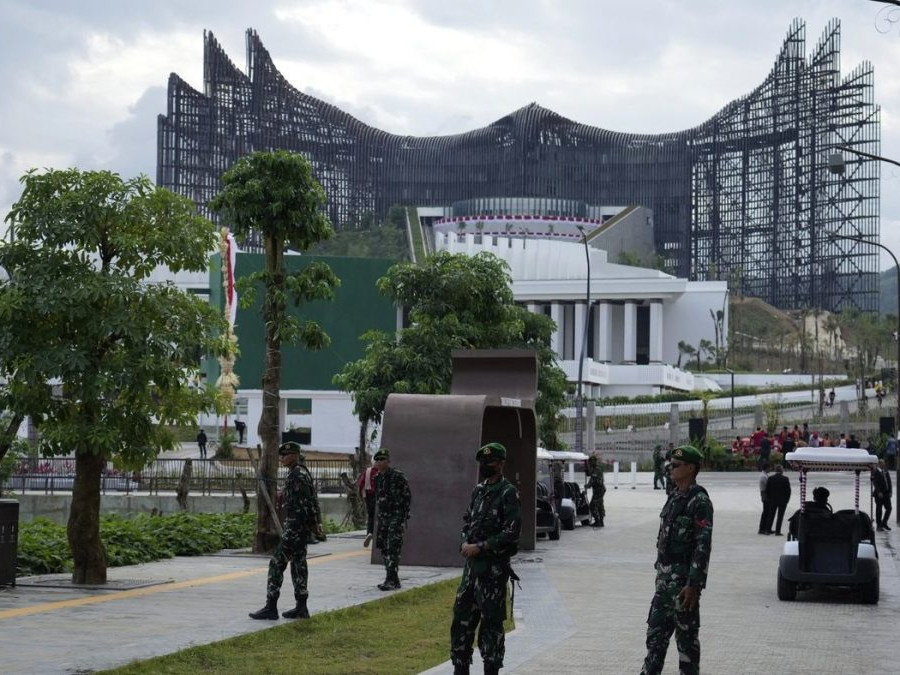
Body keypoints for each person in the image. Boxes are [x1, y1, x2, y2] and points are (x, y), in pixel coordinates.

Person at [640, 445, 713, 675]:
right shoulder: (673, 497)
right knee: (654, 642)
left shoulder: (699, 501)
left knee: (687, 647)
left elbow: (703, 545)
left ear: (691, 468)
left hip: (683, 587)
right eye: (670, 464)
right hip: (663, 585)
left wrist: (694, 585)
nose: (671, 468)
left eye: (677, 465)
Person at [450, 442, 521, 675]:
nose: (485, 467)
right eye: (482, 464)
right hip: (471, 573)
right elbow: (467, 521)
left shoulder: (508, 493)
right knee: (461, 623)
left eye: (489, 463)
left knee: (491, 628)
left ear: (500, 464)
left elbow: (511, 533)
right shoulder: (478, 490)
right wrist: (463, 542)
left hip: (492, 573)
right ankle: (460, 668)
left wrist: (480, 547)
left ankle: (491, 669)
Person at [249, 441, 321, 620]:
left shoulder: (297, 475)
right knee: (298, 565)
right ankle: (301, 607)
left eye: (285, 455)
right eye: (281, 455)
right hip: (300, 528)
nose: (281, 458)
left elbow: (304, 504)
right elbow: (313, 501)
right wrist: (314, 524)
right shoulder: (303, 472)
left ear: (294, 455)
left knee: (276, 563)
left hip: (295, 528)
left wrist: (305, 526)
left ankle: (271, 607)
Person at [373, 448, 411, 590]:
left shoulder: (397, 476)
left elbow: (407, 496)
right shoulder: (377, 478)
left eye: (382, 459)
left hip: (396, 516)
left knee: (393, 547)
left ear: (388, 461)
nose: (379, 462)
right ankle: (393, 579)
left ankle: (391, 579)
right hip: (383, 518)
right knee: (383, 547)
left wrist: (402, 515)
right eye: (377, 460)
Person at [356, 457, 379, 547]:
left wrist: (361, 496)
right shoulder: (382, 472)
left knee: (371, 516)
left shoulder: (368, 471)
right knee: (380, 516)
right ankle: (378, 534)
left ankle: (369, 532)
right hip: (379, 496)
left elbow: (361, 484)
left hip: (369, 497)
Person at [764, 464, 791, 535]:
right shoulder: (785, 479)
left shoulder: (770, 478)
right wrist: (787, 500)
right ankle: (777, 531)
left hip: (772, 500)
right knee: (780, 516)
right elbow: (788, 491)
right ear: (781, 470)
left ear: (775, 470)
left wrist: (769, 498)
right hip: (782, 501)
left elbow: (767, 490)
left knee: (771, 515)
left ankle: (767, 530)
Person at [871, 460, 893, 531]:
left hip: (886, 493)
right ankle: (879, 525)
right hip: (879, 494)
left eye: (884, 463)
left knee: (889, 508)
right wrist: (878, 492)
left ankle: (884, 523)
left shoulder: (886, 471)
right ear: (879, 464)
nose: (884, 464)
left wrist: (890, 491)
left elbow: (889, 482)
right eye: (883, 463)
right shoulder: (875, 472)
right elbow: (875, 483)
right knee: (879, 510)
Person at [586, 454, 606, 527]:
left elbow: (593, 480)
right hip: (599, 489)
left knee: (592, 505)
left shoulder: (596, 469)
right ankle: (601, 521)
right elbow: (590, 474)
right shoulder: (596, 468)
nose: (590, 463)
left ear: (594, 461)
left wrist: (587, 486)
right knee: (600, 505)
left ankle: (597, 521)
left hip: (599, 490)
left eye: (590, 462)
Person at [758, 463, 773, 535]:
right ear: (766, 468)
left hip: (765, 494)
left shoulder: (764, 475)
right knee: (766, 513)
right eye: (769, 468)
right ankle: (762, 529)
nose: (770, 469)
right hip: (765, 495)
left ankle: (766, 528)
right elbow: (768, 486)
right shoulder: (764, 476)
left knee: (767, 512)